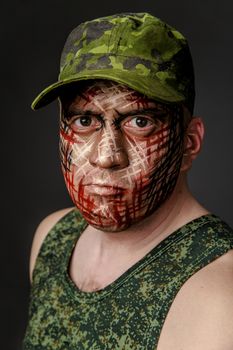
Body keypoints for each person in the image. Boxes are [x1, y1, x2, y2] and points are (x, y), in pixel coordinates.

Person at [23, 12, 233, 350]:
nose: (106, 156)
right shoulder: (53, 239)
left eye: (139, 121)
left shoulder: (220, 295)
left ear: (189, 143)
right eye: (85, 119)